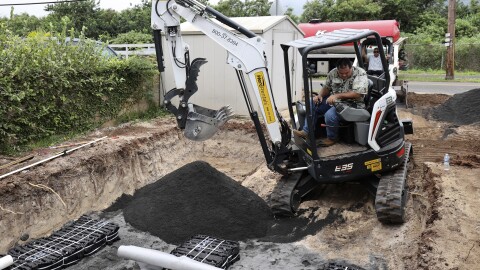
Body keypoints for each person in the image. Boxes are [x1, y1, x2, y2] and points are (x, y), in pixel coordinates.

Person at [293, 58, 368, 147]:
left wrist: (336, 96)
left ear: (351, 67)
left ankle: (332, 138)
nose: (344, 75)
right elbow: (327, 87)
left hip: (352, 104)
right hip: (334, 101)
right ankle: (306, 131)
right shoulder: (333, 73)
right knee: (311, 102)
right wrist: (320, 95)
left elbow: (358, 94)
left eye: (347, 73)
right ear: (337, 69)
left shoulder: (360, 73)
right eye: (341, 73)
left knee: (330, 115)